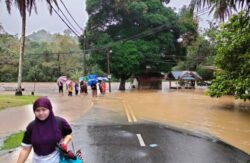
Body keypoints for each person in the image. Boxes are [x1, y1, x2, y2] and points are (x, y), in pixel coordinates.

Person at [17, 97, 73, 163]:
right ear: (34, 111)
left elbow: (68, 135)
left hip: (57, 160)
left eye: (44, 110)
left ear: (50, 109)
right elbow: (25, 149)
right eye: (37, 110)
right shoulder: (31, 127)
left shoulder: (60, 122)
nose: (41, 113)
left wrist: (64, 142)